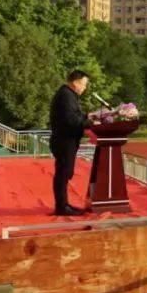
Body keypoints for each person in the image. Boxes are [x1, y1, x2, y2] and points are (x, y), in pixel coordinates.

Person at [48, 70, 91, 216]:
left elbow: (73, 116)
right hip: (64, 140)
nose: (84, 88)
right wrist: (89, 122)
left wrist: (86, 116)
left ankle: (63, 204)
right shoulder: (66, 96)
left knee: (64, 173)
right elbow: (70, 121)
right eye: (84, 84)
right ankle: (61, 207)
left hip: (66, 140)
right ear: (75, 82)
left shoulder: (68, 94)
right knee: (63, 173)